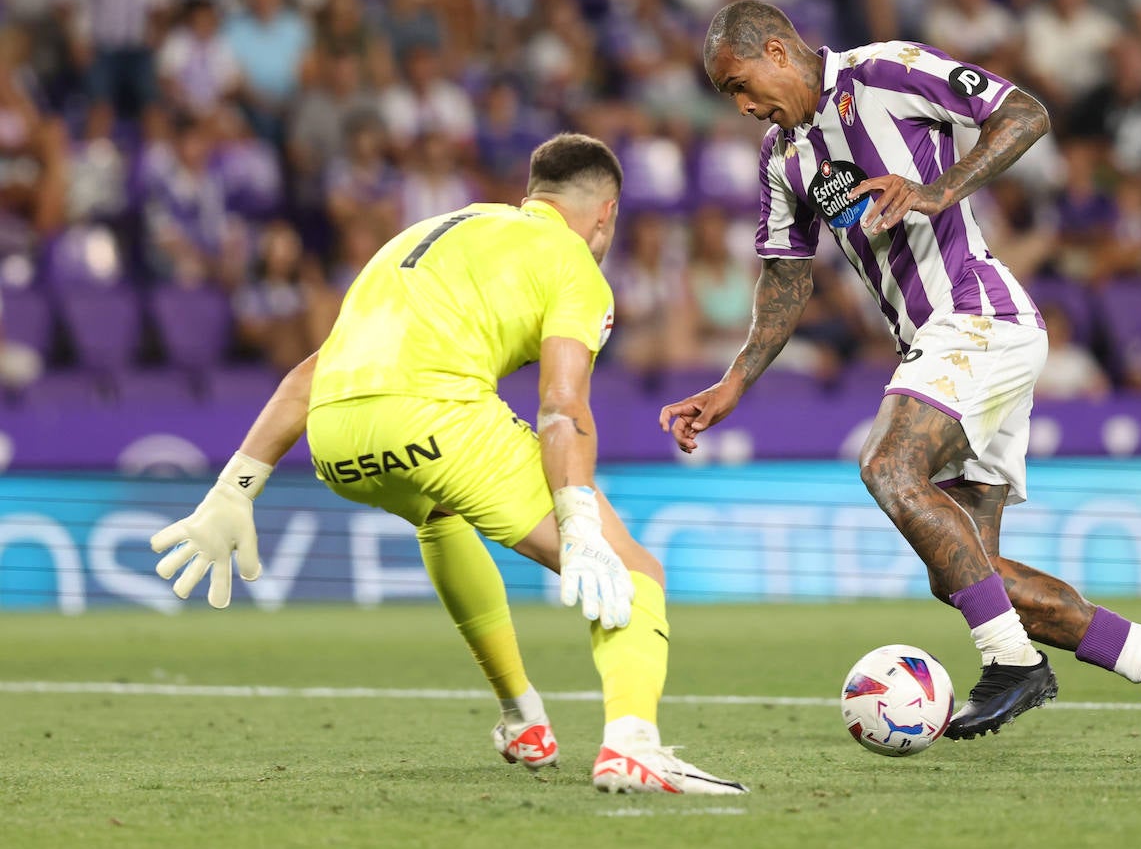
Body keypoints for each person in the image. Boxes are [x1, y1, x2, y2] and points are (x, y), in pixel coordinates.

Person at [662, 0, 1141, 760]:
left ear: (776, 49)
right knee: (963, 568)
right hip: (940, 342)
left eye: (738, 83)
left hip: (978, 317)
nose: (742, 105)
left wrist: (941, 186)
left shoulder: (887, 70)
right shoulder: (782, 158)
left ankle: (1013, 662)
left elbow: (1025, 113)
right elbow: (785, 281)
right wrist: (732, 383)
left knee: (888, 465)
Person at [149, 133, 747, 796]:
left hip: (336, 436)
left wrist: (234, 487)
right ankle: (634, 746)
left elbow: (315, 372)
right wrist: (577, 518)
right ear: (605, 212)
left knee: (438, 509)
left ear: (530, 195)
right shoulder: (574, 264)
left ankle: (522, 714)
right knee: (633, 571)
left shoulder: (426, 233)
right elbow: (562, 403)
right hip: (435, 418)